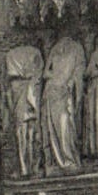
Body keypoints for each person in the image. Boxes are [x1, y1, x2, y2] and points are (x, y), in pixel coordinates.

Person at [40, 37, 85, 171]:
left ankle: (68, 159)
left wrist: (69, 83)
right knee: (52, 126)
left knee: (65, 125)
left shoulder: (76, 50)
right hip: (52, 91)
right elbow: (45, 73)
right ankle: (56, 161)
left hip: (64, 93)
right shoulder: (55, 51)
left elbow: (79, 71)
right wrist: (55, 78)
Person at [4, 44, 43, 177]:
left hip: (30, 99)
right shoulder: (16, 83)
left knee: (32, 133)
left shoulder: (27, 82)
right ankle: (24, 167)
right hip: (23, 101)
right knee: (21, 133)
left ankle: (32, 167)